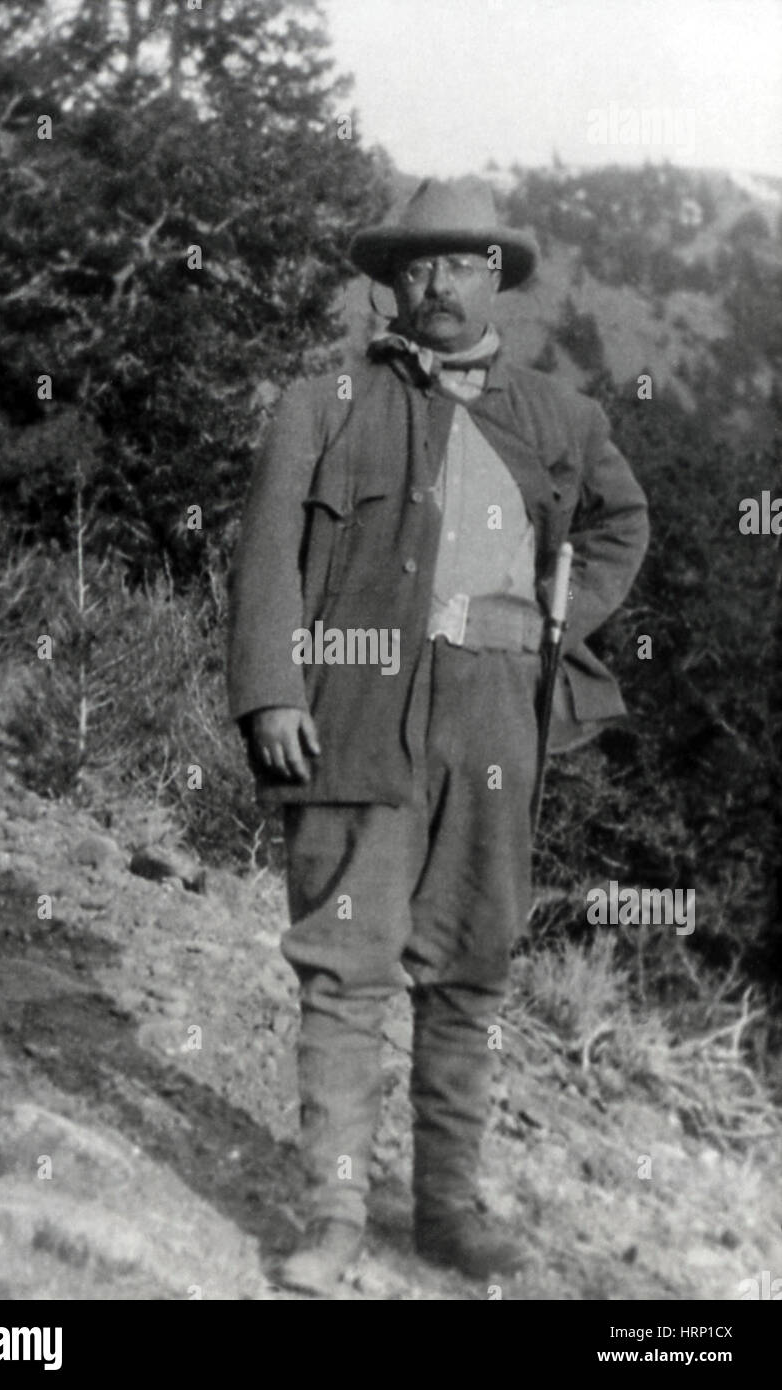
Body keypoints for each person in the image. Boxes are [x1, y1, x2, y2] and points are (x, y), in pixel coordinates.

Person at [227, 177, 649, 1296]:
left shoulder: (562, 417)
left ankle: (448, 1213)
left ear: (496, 275)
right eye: (417, 265)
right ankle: (331, 1215)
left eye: (463, 263)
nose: (439, 283)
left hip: (493, 722)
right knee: (344, 970)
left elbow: (621, 520)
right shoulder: (325, 396)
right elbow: (268, 548)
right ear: (390, 280)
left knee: (469, 968)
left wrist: (555, 628)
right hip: (352, 720)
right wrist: (273, 689)